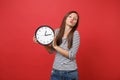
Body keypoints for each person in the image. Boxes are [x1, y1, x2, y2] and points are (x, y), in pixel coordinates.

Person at [33, 11, 80, 80]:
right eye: (70, 16)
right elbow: (51, 51)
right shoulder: (56, 32)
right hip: (56, 71)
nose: (72, 19)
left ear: (76, 23)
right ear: (65, 18)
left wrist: (56, 46)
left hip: (70, 72)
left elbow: (71, 55)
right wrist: (42, 42)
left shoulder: (75, 34)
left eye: (75, 18)